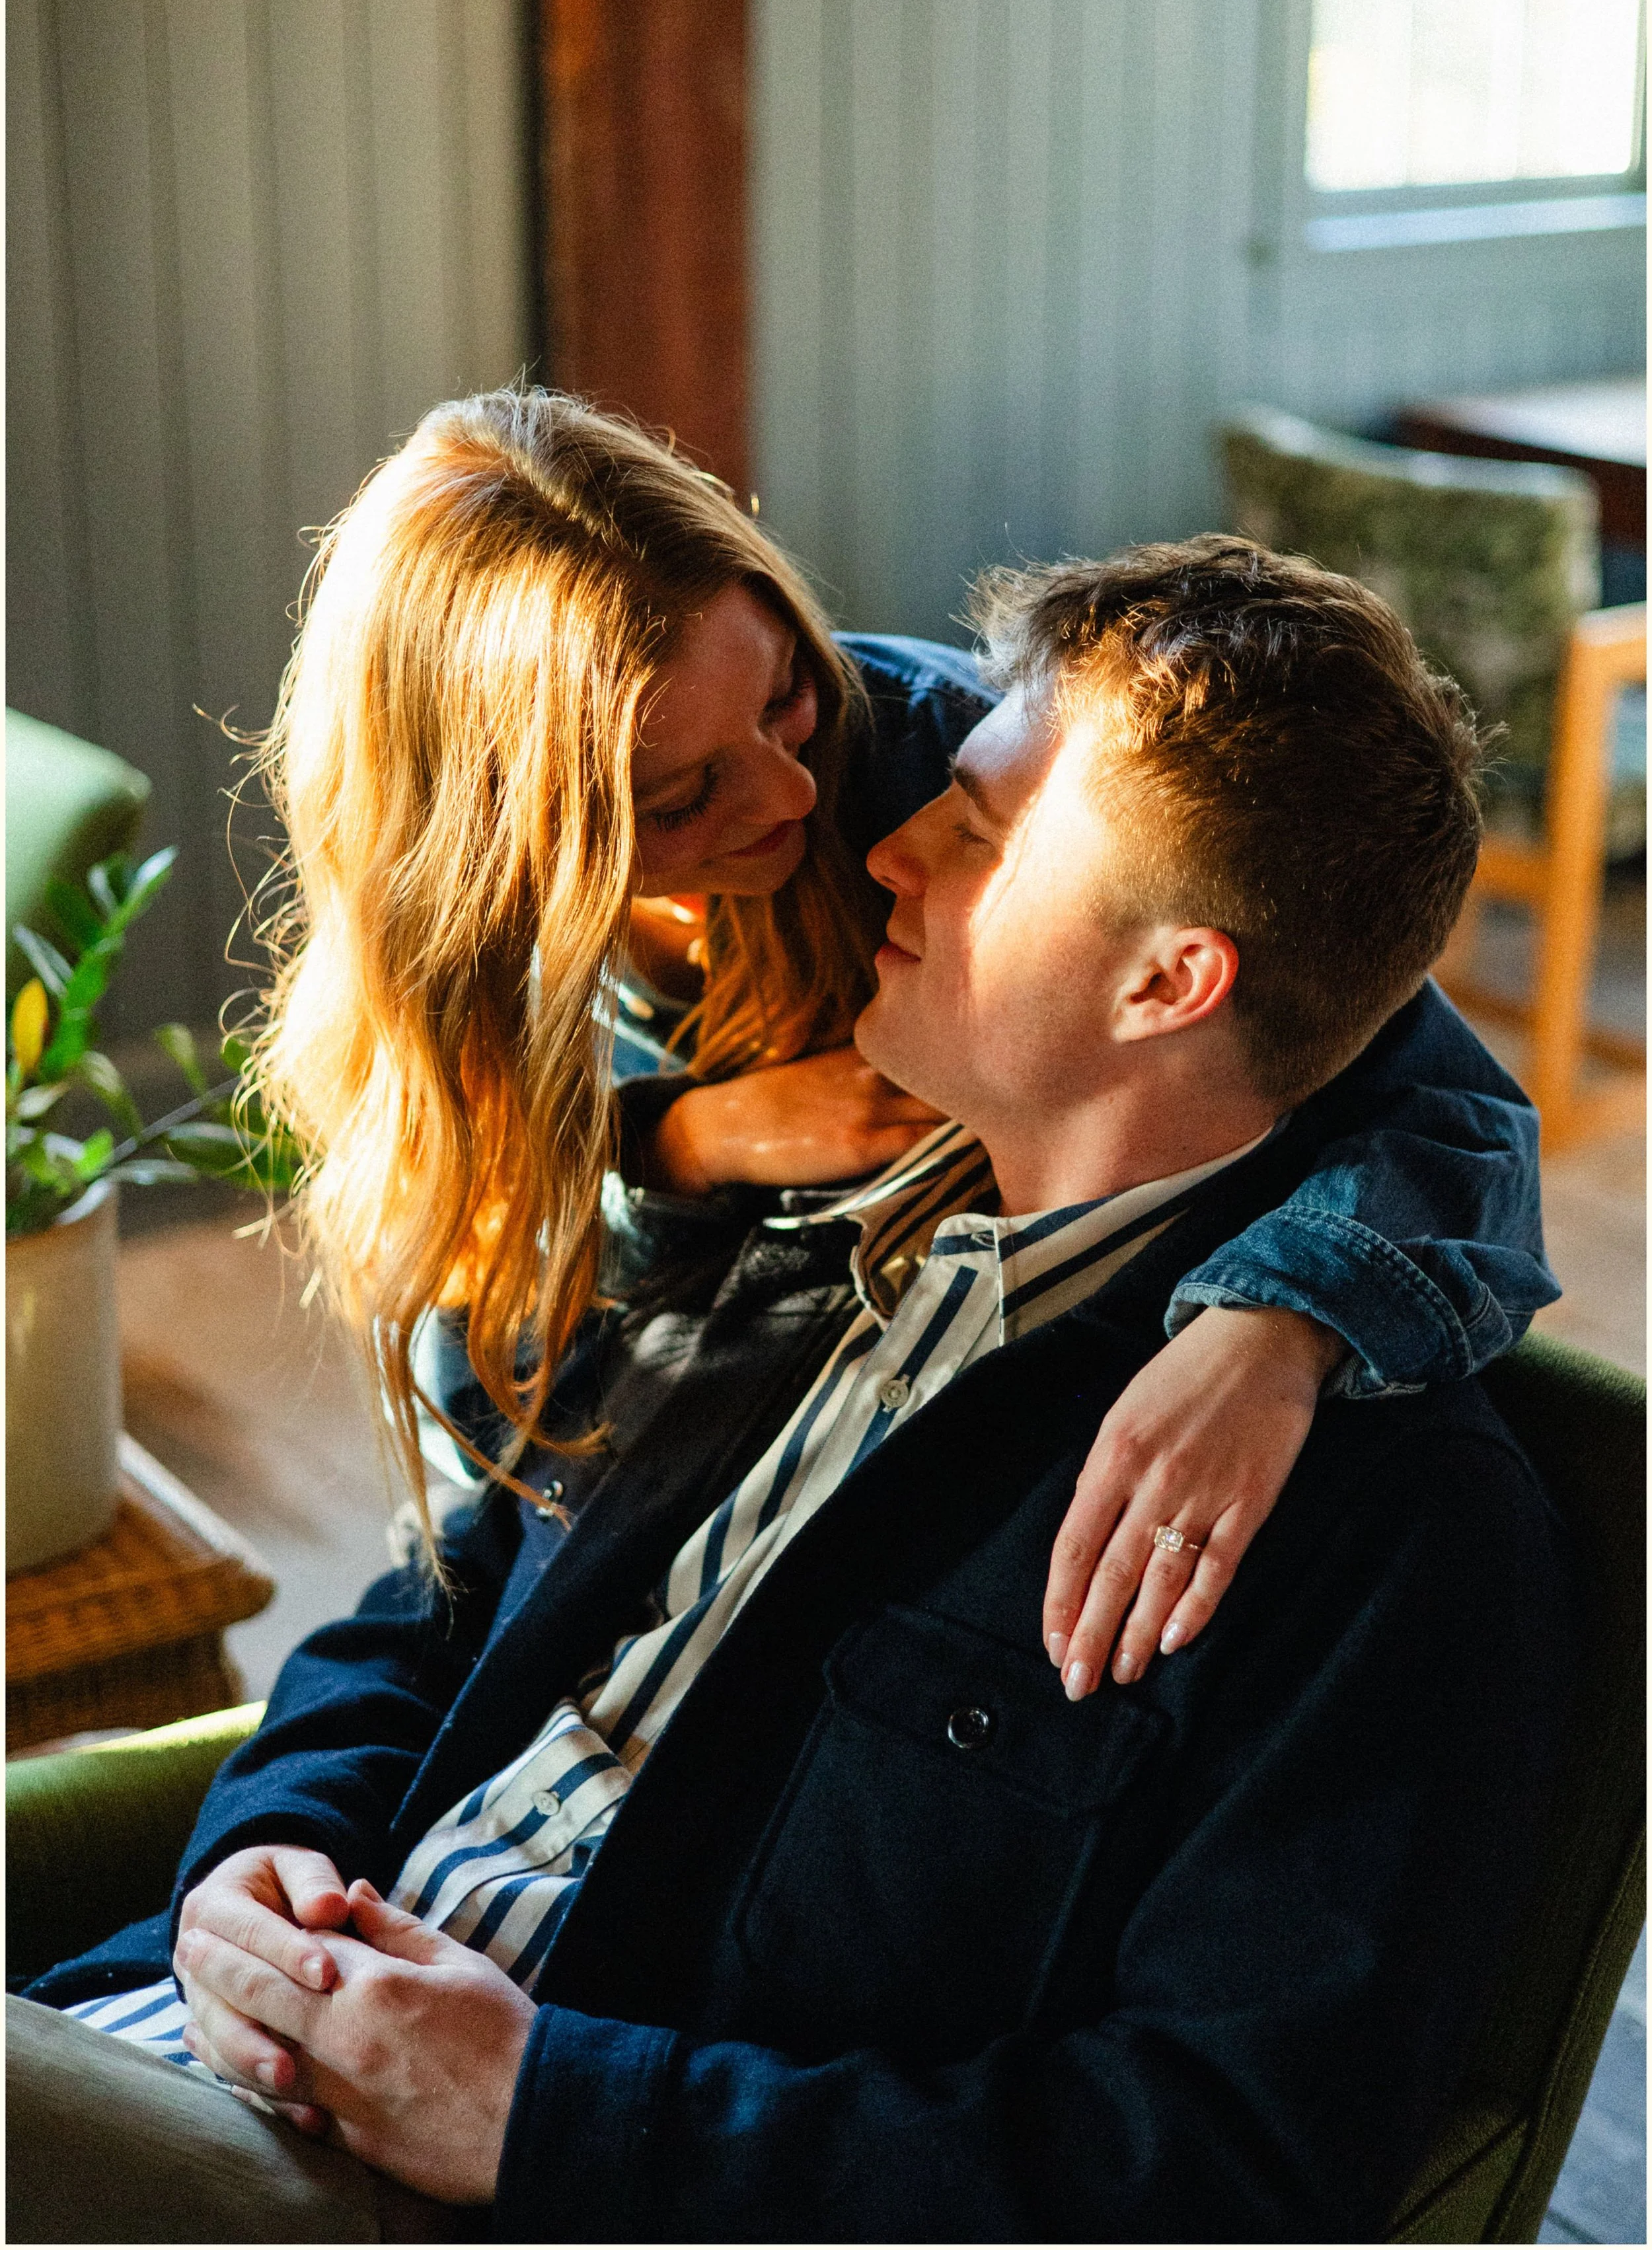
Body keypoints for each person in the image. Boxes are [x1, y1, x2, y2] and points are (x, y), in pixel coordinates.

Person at [13, 538, 1574, 2245]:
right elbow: (442, 1597)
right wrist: (262, 1854)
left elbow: (1221, 2166)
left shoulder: (1384, 1532)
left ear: (1166, 979)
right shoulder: (796, 1223)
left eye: (975, 834)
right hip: (185, 2043)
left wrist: (544, 2107)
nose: (872, 842)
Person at [244, 387, 1551, 1703]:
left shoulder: (924, 759)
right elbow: (505, 1458)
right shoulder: (466, 960)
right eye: (685, 794)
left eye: (787, 698)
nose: (800, 799)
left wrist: (1276, 1331)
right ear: (495, 839)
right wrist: (677, 1142)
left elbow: (1439, 1101)